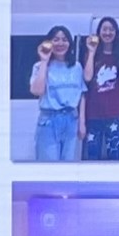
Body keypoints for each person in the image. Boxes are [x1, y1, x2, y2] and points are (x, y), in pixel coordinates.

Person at [80, 17, 119, 161]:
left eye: (111, 29)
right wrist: (92, 52)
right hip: (93, 114)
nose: (107, 33)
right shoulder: (91, 54)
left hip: (115, 113)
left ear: (116, 32)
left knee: (114, 155)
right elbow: (87, 77)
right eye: (104, 29)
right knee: (92, 155)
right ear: (99, 32)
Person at [30, 27, 79, 162]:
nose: (60, 43)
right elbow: (37, 91)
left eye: (64, 39)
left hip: (71, 119)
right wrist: (44, 61)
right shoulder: (39, 66)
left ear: (70, 43)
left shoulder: (76, 67)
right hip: (49, 121)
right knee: (48, 166)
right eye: (56, 39)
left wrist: (81, 124)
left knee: (68, 165)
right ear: (48, 42)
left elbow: (82, 94)